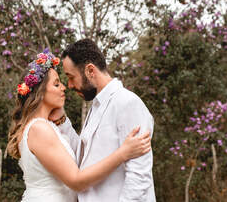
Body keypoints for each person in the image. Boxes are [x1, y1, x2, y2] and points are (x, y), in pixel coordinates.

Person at [7, 49, 151, 202]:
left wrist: (62, 120)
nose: (64, 87)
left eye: (67, 79)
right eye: (57, 84)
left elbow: (79, 160)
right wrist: (122, 153)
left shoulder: (47, 126)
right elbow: (76, 180)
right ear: (40, 93)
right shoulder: (39, 129)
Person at [52, 39, 156, 201]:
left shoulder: (127, 103)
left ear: (90, 71)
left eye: (71, 77)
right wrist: (61, 120)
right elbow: (84, 159)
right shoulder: (97, 106)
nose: (70, 85)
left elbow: (139, 177)